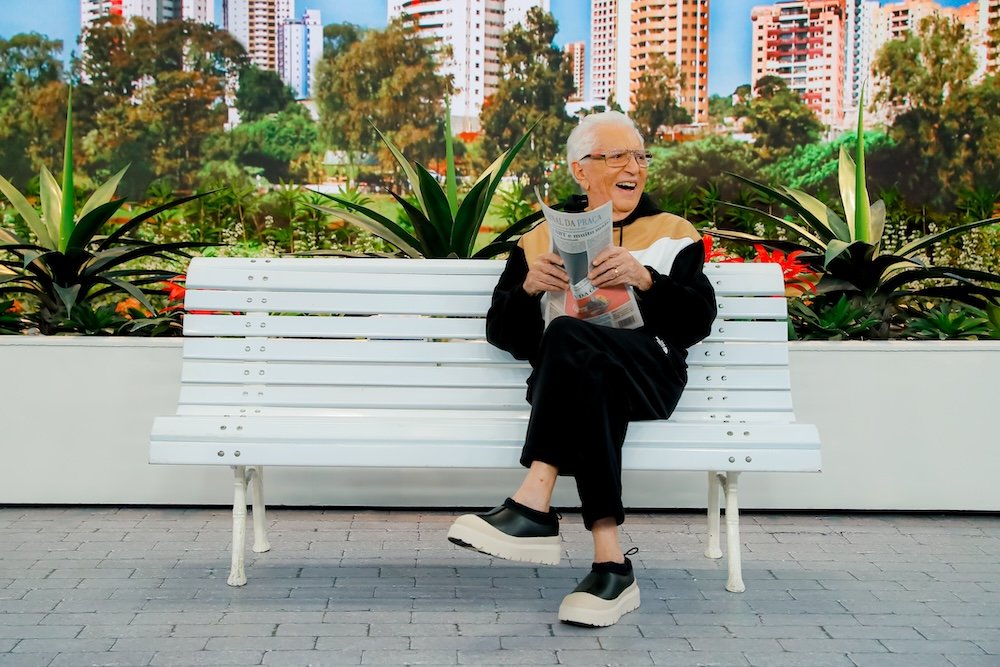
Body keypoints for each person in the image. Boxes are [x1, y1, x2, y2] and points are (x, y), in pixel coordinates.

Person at [446, 111, 717, 627]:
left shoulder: (674, 233)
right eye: (617, 156)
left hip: (651, 372)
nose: (633, 167)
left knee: (572, 339)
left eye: (640, 156)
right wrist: (529, 290)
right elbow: (504, 333)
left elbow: (697, 321)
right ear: (581, 170)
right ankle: (610, 565)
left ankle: (534, 501)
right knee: (586, 368)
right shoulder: (538, 240)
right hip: (583, 384)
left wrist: (647, 280)